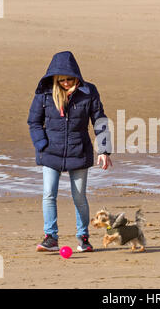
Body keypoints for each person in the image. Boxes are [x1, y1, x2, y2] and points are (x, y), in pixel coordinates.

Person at [27, 51, 112, 252]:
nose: (66, 82)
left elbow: (99, 120)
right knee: (49, 194)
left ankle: (83, 237)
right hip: (50, 152)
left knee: (79, 196)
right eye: (61, 79)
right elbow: (34, 122)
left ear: (76, 75)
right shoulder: (45, 93)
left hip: (79, 151)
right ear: (55, 78)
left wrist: (104, 150)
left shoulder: (89, 91)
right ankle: (51, 237)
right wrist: (42, 144)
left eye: (69, 78)